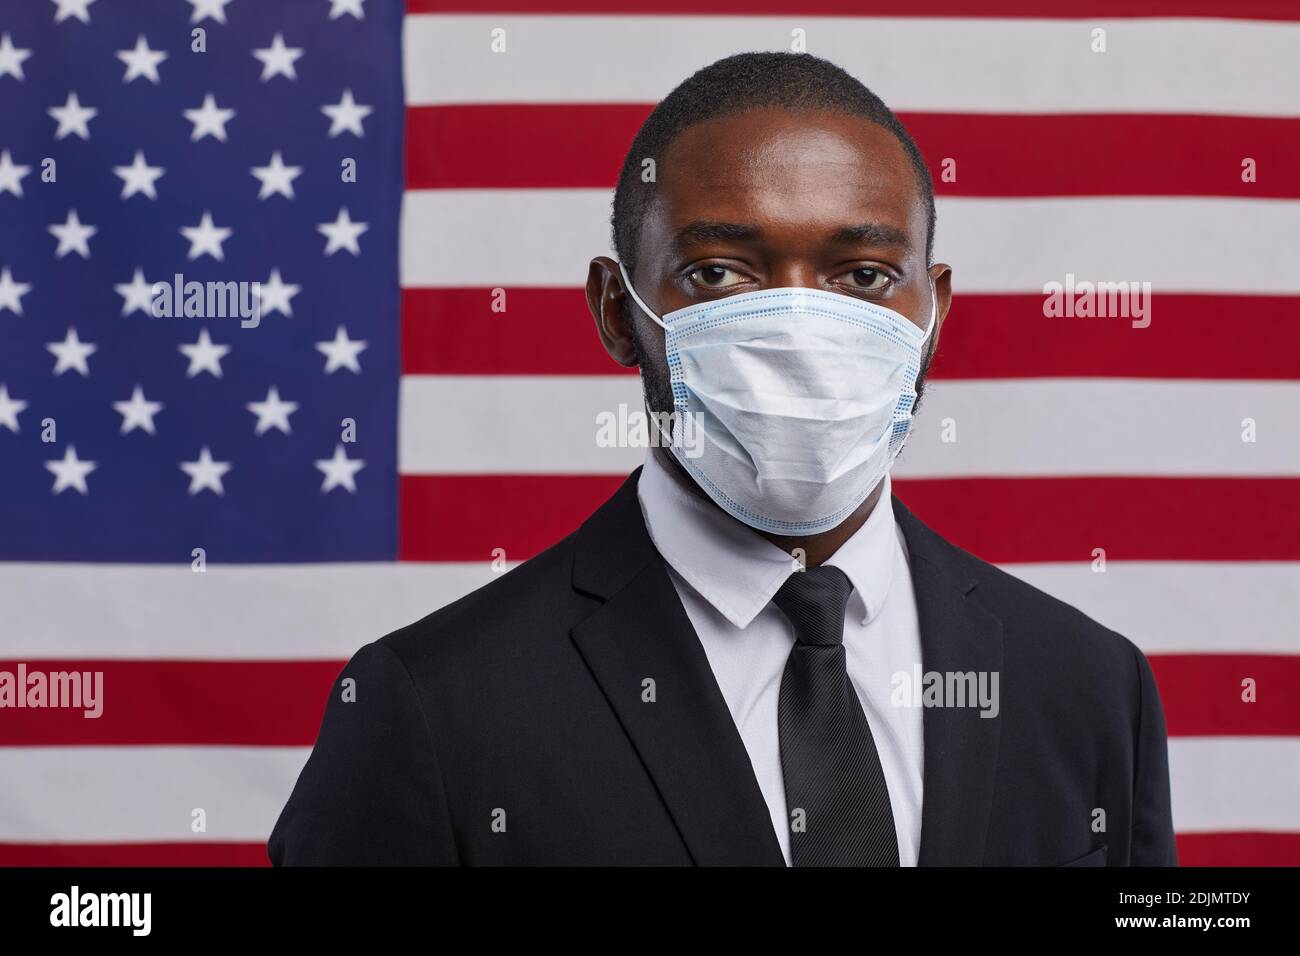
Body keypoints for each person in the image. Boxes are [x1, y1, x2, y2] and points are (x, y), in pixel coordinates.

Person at [269, 52, 1177, 867]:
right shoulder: (432, 706)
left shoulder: (1091, 686)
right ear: (618, 310)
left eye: (861, 275)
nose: (798, 328)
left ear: (931, 310)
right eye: (719, 272)